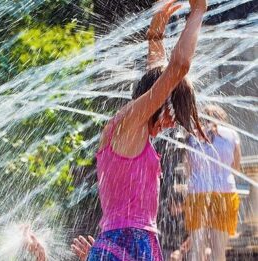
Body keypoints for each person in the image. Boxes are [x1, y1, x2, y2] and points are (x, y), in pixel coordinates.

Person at [86, 0, 208, 259]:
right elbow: (177, 69)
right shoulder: (130, 121)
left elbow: (157, 76)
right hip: (127, 242)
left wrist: (155, 36)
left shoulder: (132, 126)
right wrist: (198, 11)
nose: (173, 122)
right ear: (157, 101)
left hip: (127, 242)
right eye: (173, 111)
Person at [184, 104, 241, 261]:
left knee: (196, 249)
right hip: (225, 192)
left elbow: (188, 169)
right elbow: (235, 166)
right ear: (222, 118)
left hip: (197, 192)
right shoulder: (232, 134)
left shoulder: (192, 136)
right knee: (218, 251)